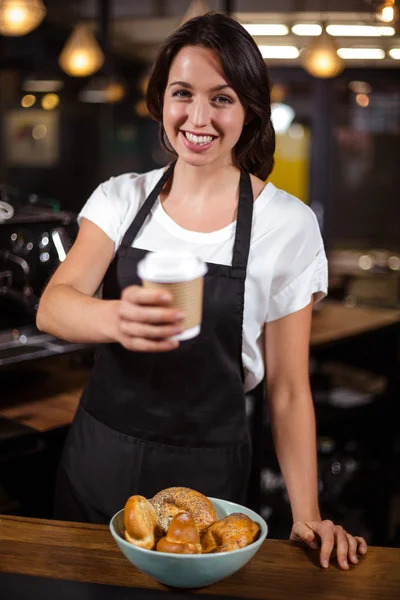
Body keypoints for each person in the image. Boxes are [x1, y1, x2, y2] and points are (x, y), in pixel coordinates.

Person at [37, 12, 367, 569]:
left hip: (209, 475)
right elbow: (54, 306)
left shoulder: (287, 224)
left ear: (249, 111)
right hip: (100, 458)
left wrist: (305, 512)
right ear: (161, 101)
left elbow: (288, 390)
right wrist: (118, 319)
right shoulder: (120, 200)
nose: (198, 116)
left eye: (222, 98)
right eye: (182, 93)